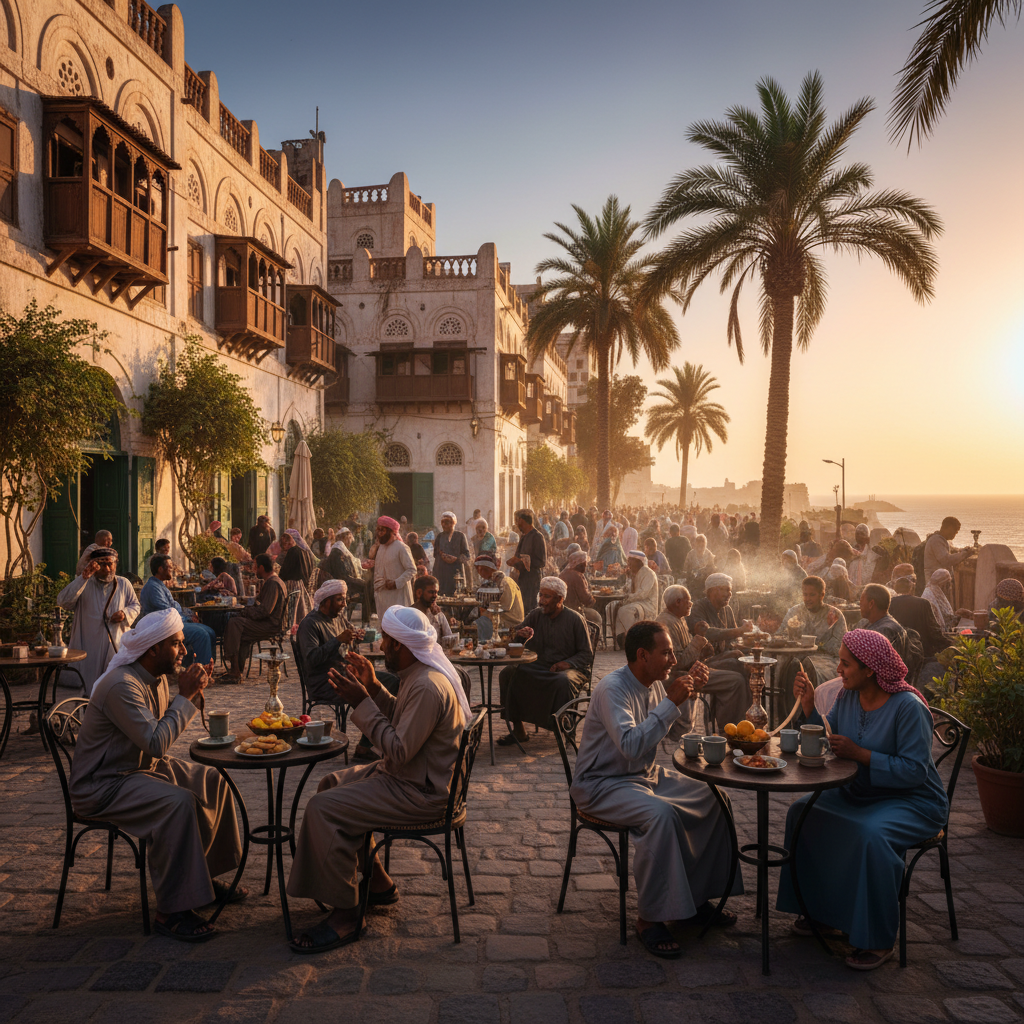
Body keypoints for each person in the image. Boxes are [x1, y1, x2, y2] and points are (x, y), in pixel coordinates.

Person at [286, 605, 470, 953]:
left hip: (420, 791)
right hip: (412, 777)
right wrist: (371, 688)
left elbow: (398, 751)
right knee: (331, 785)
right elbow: (406, 723)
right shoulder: (419, 676)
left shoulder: (428, 686)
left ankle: (346, 916)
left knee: (324, 808)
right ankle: (380, 885)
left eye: (386, 641)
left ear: (401, 645)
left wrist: (362, 702)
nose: (381, 647)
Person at [777, 630, 948, 970]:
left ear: (870, 669)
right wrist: (810, 707)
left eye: (845, 663)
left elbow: (914, 772)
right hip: (859, 792)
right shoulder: (848, 696)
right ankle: (820, 915)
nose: (838, 670)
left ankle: (877, 940)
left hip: (912, 801)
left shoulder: (908, 708)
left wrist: (864, 755)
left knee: (871, 834)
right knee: (802, 812)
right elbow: (831, 741)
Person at [69, 608, 242, 942]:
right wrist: (185, 696)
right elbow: (156, 743)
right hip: (104, 784)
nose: (183, 651)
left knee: (213, 781)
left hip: (139, 770)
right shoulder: (121, 685)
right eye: (176, 645)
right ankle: (172, 911)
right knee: (177, 803)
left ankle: (202, 877)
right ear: (153, 650)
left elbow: (159, 734)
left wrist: (190, 692)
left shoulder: (156, 677)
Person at [571, 621, 741, 958]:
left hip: (643, 775)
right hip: (602, 784)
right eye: (666, 653)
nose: (672, 658)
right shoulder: (613, 689)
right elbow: (632, 746)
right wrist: (670, 701)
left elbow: (676, 731)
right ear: (642, 655)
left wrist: (689, 695)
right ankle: (649, 918)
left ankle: (698, 897)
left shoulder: (654, 683)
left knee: (715, 796)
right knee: (660, 815)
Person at [497, 577, 592, 746]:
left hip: (570, 669)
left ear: (560, 599)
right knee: (508, 673)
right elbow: (515, 641)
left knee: (563, 681)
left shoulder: (575, 619)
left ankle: (563, 729)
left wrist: (567, 663)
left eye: (547, 597)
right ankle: (519, 730)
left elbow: (586, 654)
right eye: (540, 595)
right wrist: (520, 635)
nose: (541, 601)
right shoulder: (535, 615)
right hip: (539, 665)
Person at [657, 586, 750, 731]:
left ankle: (744, 719)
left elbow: (691, 653)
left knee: (738, 658)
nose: (691, 604)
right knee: (735, 681)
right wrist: (699, 639)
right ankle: (730, 731)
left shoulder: (678, 618)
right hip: (681, 675)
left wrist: (702, 644)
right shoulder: (666, 623)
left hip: (692, 666)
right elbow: (678, 662)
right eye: (688, 601)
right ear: (678, 602)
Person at [58, 548, 141, 695]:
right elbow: (63, 601)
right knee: (89, 686)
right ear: (94, 565)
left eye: (111, 564)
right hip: (89, 646)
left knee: (115, 685)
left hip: (115, 642)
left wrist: (124, 614)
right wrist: (83, 578)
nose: (108, 569)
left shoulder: (123, 583)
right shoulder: (84, 583)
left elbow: (135, 605)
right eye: (103, 565)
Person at [220, 554, 288, 683]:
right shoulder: (272, 581)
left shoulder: (273, 583)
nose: (253, 570)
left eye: (255, 566)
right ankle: (236, 669)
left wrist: (245, 611)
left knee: (234, 624)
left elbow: (265, 611)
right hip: (270, 622)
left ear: (262, 567)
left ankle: (235, 671)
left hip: (271, 625)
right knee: (240, 632)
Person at [140, 555, 217, 667]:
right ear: (160, 569)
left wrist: (189, 615)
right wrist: (184, 616)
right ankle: (200, 671)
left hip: (175, 622)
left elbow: (175, 606)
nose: (172, 570)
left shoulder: (160, 585)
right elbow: (167, 610)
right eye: (170, 567)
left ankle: (207, 667)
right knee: (202, 634)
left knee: (210, 631)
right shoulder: (152, 587)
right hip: (164, 626)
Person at [368, 516, 416, 614]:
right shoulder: (380, 548)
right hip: (382, 597)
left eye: (382, 530)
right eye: (378, 530)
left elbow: (412, 569)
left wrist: (396, 583)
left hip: (398, 597)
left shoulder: (401, 547)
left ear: (390, 531)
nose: (379, 533)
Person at [613, 552, 660, 648]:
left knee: (625, 610)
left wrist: (627, 598)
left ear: (638, 562)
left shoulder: (648, 574)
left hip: (647, 604)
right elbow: (627, 589)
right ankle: (622, 639)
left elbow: (643, 594)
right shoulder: (634, 573)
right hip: (637, 602)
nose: (629, 565)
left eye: (631, 562)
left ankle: (634, 639)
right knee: (614, 606)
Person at [473, 554, 524, 641]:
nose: (479, 573)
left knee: (478, 623)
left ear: (488, 569)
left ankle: (483, 646)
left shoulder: (506, 582)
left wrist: (486, 612)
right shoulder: (496, 582)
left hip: (511, 621)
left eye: (481, 570)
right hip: (504, 617)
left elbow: (505, 606)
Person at [856, 584, 909, 661]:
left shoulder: (884, 631)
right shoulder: (871, 622)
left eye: (861, 602)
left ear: (871, 604)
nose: (859, 606)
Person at [507, 510, 547, 613]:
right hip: (522, 579)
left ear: (521, 520)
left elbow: (542, 562)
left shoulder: (537, 537)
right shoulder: (523, 537)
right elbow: (517, 556)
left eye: (516, 520)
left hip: (532, 580)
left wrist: (525, 561)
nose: (516, 524)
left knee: (530, 608)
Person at [559, 550, 601, 627]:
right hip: (575, 611)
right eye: (584, 564)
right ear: (579, 564)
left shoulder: (563, 573)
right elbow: (586, 599)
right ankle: (592, 637)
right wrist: (594, 600)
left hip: (562, 610)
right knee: (597, 617)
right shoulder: (577, 576)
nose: (585, 567)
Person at [923, 517, 973, 583]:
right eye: (955, 530)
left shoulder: (941, 540)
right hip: (936, 583)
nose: (956, 533)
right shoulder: (936, 540)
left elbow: (952, 550)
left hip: (940, 582)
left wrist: (962, 550)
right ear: (948, 528)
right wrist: (964, 554)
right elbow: (946, 560)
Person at [432, 512, 471, 596]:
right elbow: (435, 555)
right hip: (442, 572)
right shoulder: (439, 537)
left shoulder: (460, 536)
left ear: (453, 523)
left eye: (447, 522)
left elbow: (467, 555)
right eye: (442, 522)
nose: (444, 525)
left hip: (456, 571)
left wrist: (456, 559)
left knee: (456, 595)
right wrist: (442, 556)